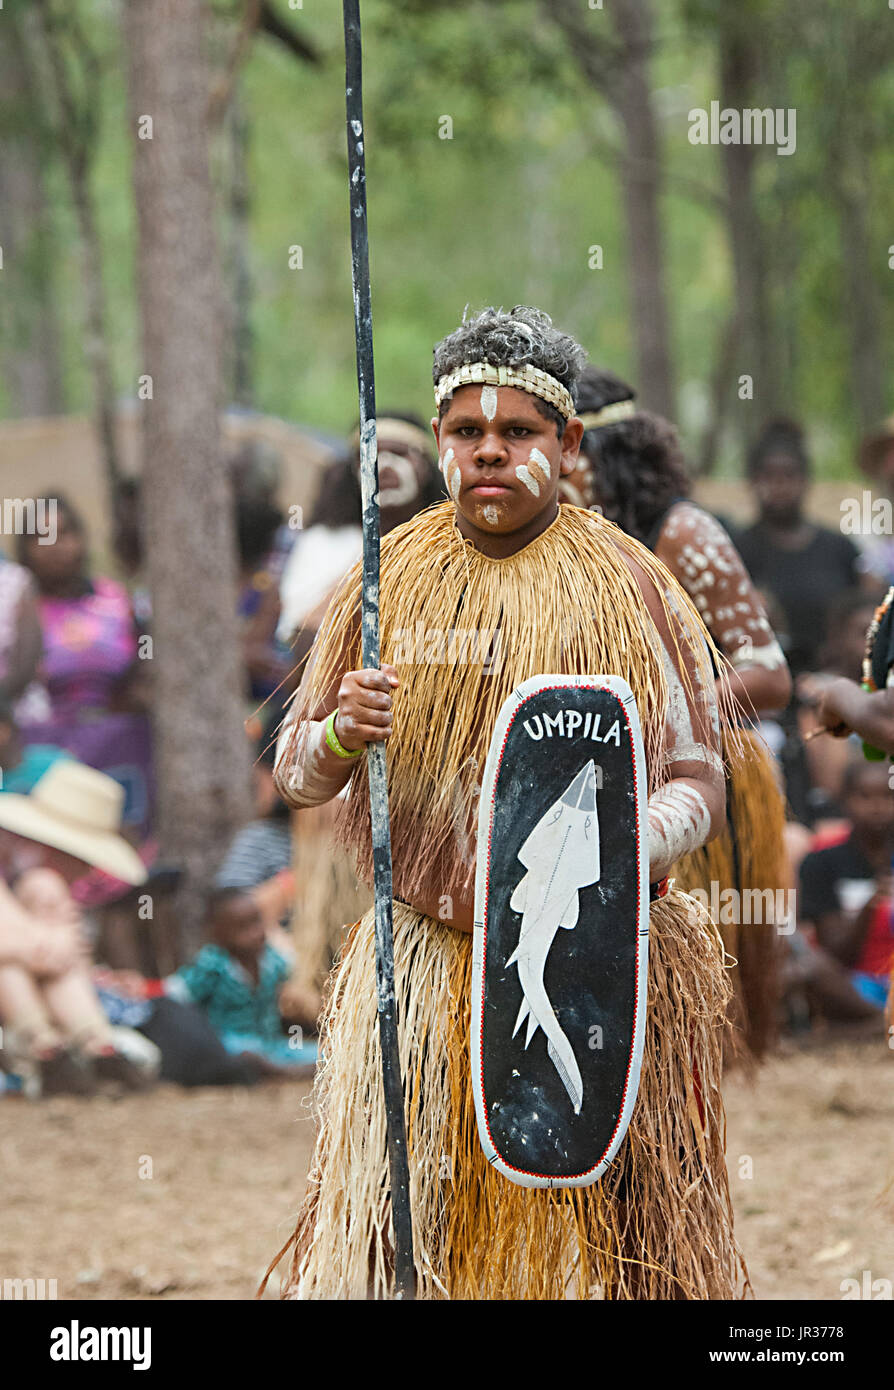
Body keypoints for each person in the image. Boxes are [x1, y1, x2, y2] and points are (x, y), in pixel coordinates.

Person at [268, 306, 747, 1300]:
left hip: (607, 964)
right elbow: (296, 772)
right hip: (427, 958)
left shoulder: (629, 584)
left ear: (568, 444)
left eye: (519, 431)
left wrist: (632, 840)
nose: (490, 451)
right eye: (467, 432)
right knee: (408, 1240)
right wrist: (343, 731)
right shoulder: (386, 580)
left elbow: (704, 775)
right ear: (442, 442)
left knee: (626, 1240)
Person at [567, 369, 792, 1063]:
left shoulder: (683, 532)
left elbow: (771, 675)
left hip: (696, 786)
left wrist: (667, 719)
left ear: (604, 454)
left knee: (686, 1018)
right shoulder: (559, 542)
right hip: (593, 782)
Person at [0, 760, 152, 1094]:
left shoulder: (41, 886)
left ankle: (58, 1048)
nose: (86, 871)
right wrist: (42, 948)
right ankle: (81, 1045)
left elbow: (61, 954)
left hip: (41, 990)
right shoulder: (42, 883)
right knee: (12, 963)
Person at [16, 495, 153, 832]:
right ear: (25, 547)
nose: (55, 546)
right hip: (41, 755)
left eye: (64, 533)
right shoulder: (15, 610)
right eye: (41, 537)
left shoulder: (115, 600)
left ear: (81, 539)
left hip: (122, 748)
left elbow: (145, 658)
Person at [735, 420, 864, 680]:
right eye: (769, 476)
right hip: (761, 689)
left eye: (788, 475)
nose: (779, 486)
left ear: (805, 481)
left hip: (835, 685)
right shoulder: (736, 550)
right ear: (753, 482)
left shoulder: (840, 550)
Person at [164, 888, 316, 1074]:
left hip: (269, 1041)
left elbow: (296, 977)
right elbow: (177, 992)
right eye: (243, 927)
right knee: (247, 1056)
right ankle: (284, 1071)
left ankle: (295, 1067)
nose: (256, 932)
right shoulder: (213, 965)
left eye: (257, 922)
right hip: (229, 1042)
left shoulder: (271, 961)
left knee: (317, 1052)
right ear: (218, 933)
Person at [796, 758, 894, 1019]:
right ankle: (878, 1021)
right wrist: (870, 909)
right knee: (811, 966)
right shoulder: (821, 862)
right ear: (845, 800)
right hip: (854, 983)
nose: (877, 807)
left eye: (888, 796)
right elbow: (836, 954)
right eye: (865, 796)